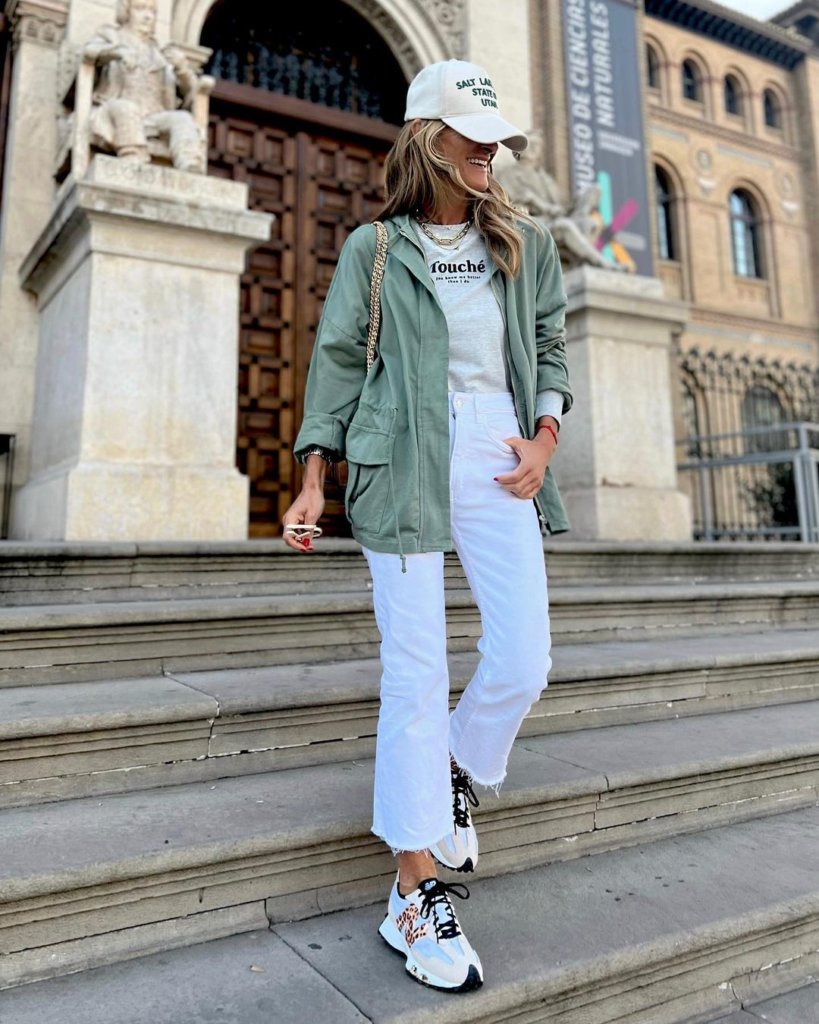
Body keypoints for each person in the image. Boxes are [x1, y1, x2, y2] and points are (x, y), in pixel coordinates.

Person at [282, 59, 572, 993]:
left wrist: (544, 437)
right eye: (472, 136)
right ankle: (412, 891)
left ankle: (450, 765)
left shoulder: (523, 243)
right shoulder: (374, 248)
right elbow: (336, 363)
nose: (489, 151)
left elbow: (550, 344)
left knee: (523, 658)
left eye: (494, 138)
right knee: (415, 672)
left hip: (497, 446)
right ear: (426, 140)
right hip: (398, 448)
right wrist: (313, 480)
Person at [84, 0, 205, 172]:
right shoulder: (111, 36)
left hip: (154, 115)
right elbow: (89, 52)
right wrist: (117, 52)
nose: (148, 16)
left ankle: (189, 164)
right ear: (126, 12)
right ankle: (133, 159)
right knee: (126, 108)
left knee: (182, 118)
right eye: (140, 9)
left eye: (152, 11)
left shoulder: (160, 51)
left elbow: (190, 93)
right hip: (115, 109)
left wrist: (182, 69)